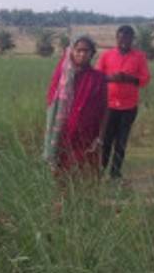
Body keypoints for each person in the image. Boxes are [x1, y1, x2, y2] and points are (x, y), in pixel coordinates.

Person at [43, 35, 109, 175]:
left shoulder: (98, 78)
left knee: (87, 179)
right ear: (71, 52)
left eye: (86, 51)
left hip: (88, 138)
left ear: (92, 54)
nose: (82, 54)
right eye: (78, 50)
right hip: (63, 136)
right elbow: (52, 107)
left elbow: (104, 109)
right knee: (62, 179)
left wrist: (100, 139)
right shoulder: (62, 79)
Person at [94, 25, 151, 178]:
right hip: (109, 106)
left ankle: (115, 173)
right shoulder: (106, 55)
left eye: (127, 38)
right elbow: (97, 77)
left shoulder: (139, 57)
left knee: (121, 142)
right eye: (121, 38)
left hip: (129, 106)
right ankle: (100, 170)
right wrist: (111, 78)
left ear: (132, 39)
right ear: (116, 39)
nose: (124, 41)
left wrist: (129, 79)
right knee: (106, 140)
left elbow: (145, 79)